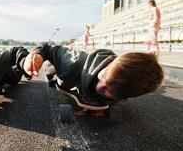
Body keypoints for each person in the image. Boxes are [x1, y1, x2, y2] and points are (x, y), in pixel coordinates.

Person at [24, 42, 164, 106]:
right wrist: (37, 55)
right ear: (109, 65)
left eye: (106, 90)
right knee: (51, 75)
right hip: (59, 72)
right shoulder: (73, 61)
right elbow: (48, 46)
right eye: (103, 77)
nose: (99, 87)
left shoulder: (128, 88)